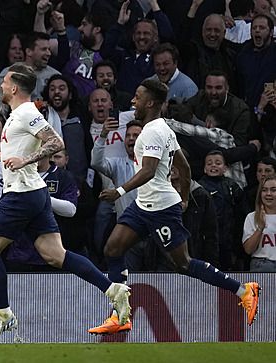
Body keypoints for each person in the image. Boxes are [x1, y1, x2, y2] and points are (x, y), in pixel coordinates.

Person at [0, 64, 129, 342]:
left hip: (21, 194)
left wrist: (25, 161)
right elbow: (22, 147)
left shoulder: (26, 112)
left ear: (13, 87)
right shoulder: (16, 115)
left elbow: (54, 142)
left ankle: (3, 315)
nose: (0, 86)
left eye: (4, 81)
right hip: (35, 194)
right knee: (55, 255)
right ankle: (112, 289)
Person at [97, 79, 260, 336]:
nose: (132, 101)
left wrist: (118, 191)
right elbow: (183, 166)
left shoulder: (152, 131)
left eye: (137, 97)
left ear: (150, 103)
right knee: (112, 248)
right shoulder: (162, 127)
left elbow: (149, 171)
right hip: (144, 205)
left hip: (161, 208)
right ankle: (121, 315)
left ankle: (244, 291)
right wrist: (183, 196)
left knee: (183, 264)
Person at [197, 151, 248, 270]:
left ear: (225, 168)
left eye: (218, 163)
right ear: (204, 169)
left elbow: (242, 212)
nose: (213, 165)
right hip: (207, 242)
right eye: (209, 164)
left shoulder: (233, 186)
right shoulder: (199, 188)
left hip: (229, 241)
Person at [243, 175, 276, 272]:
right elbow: (248, 250)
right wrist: (260, 228)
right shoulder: (251, 217)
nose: (268, 194)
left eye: (273, 190)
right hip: (261, 263)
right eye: (264, 190)